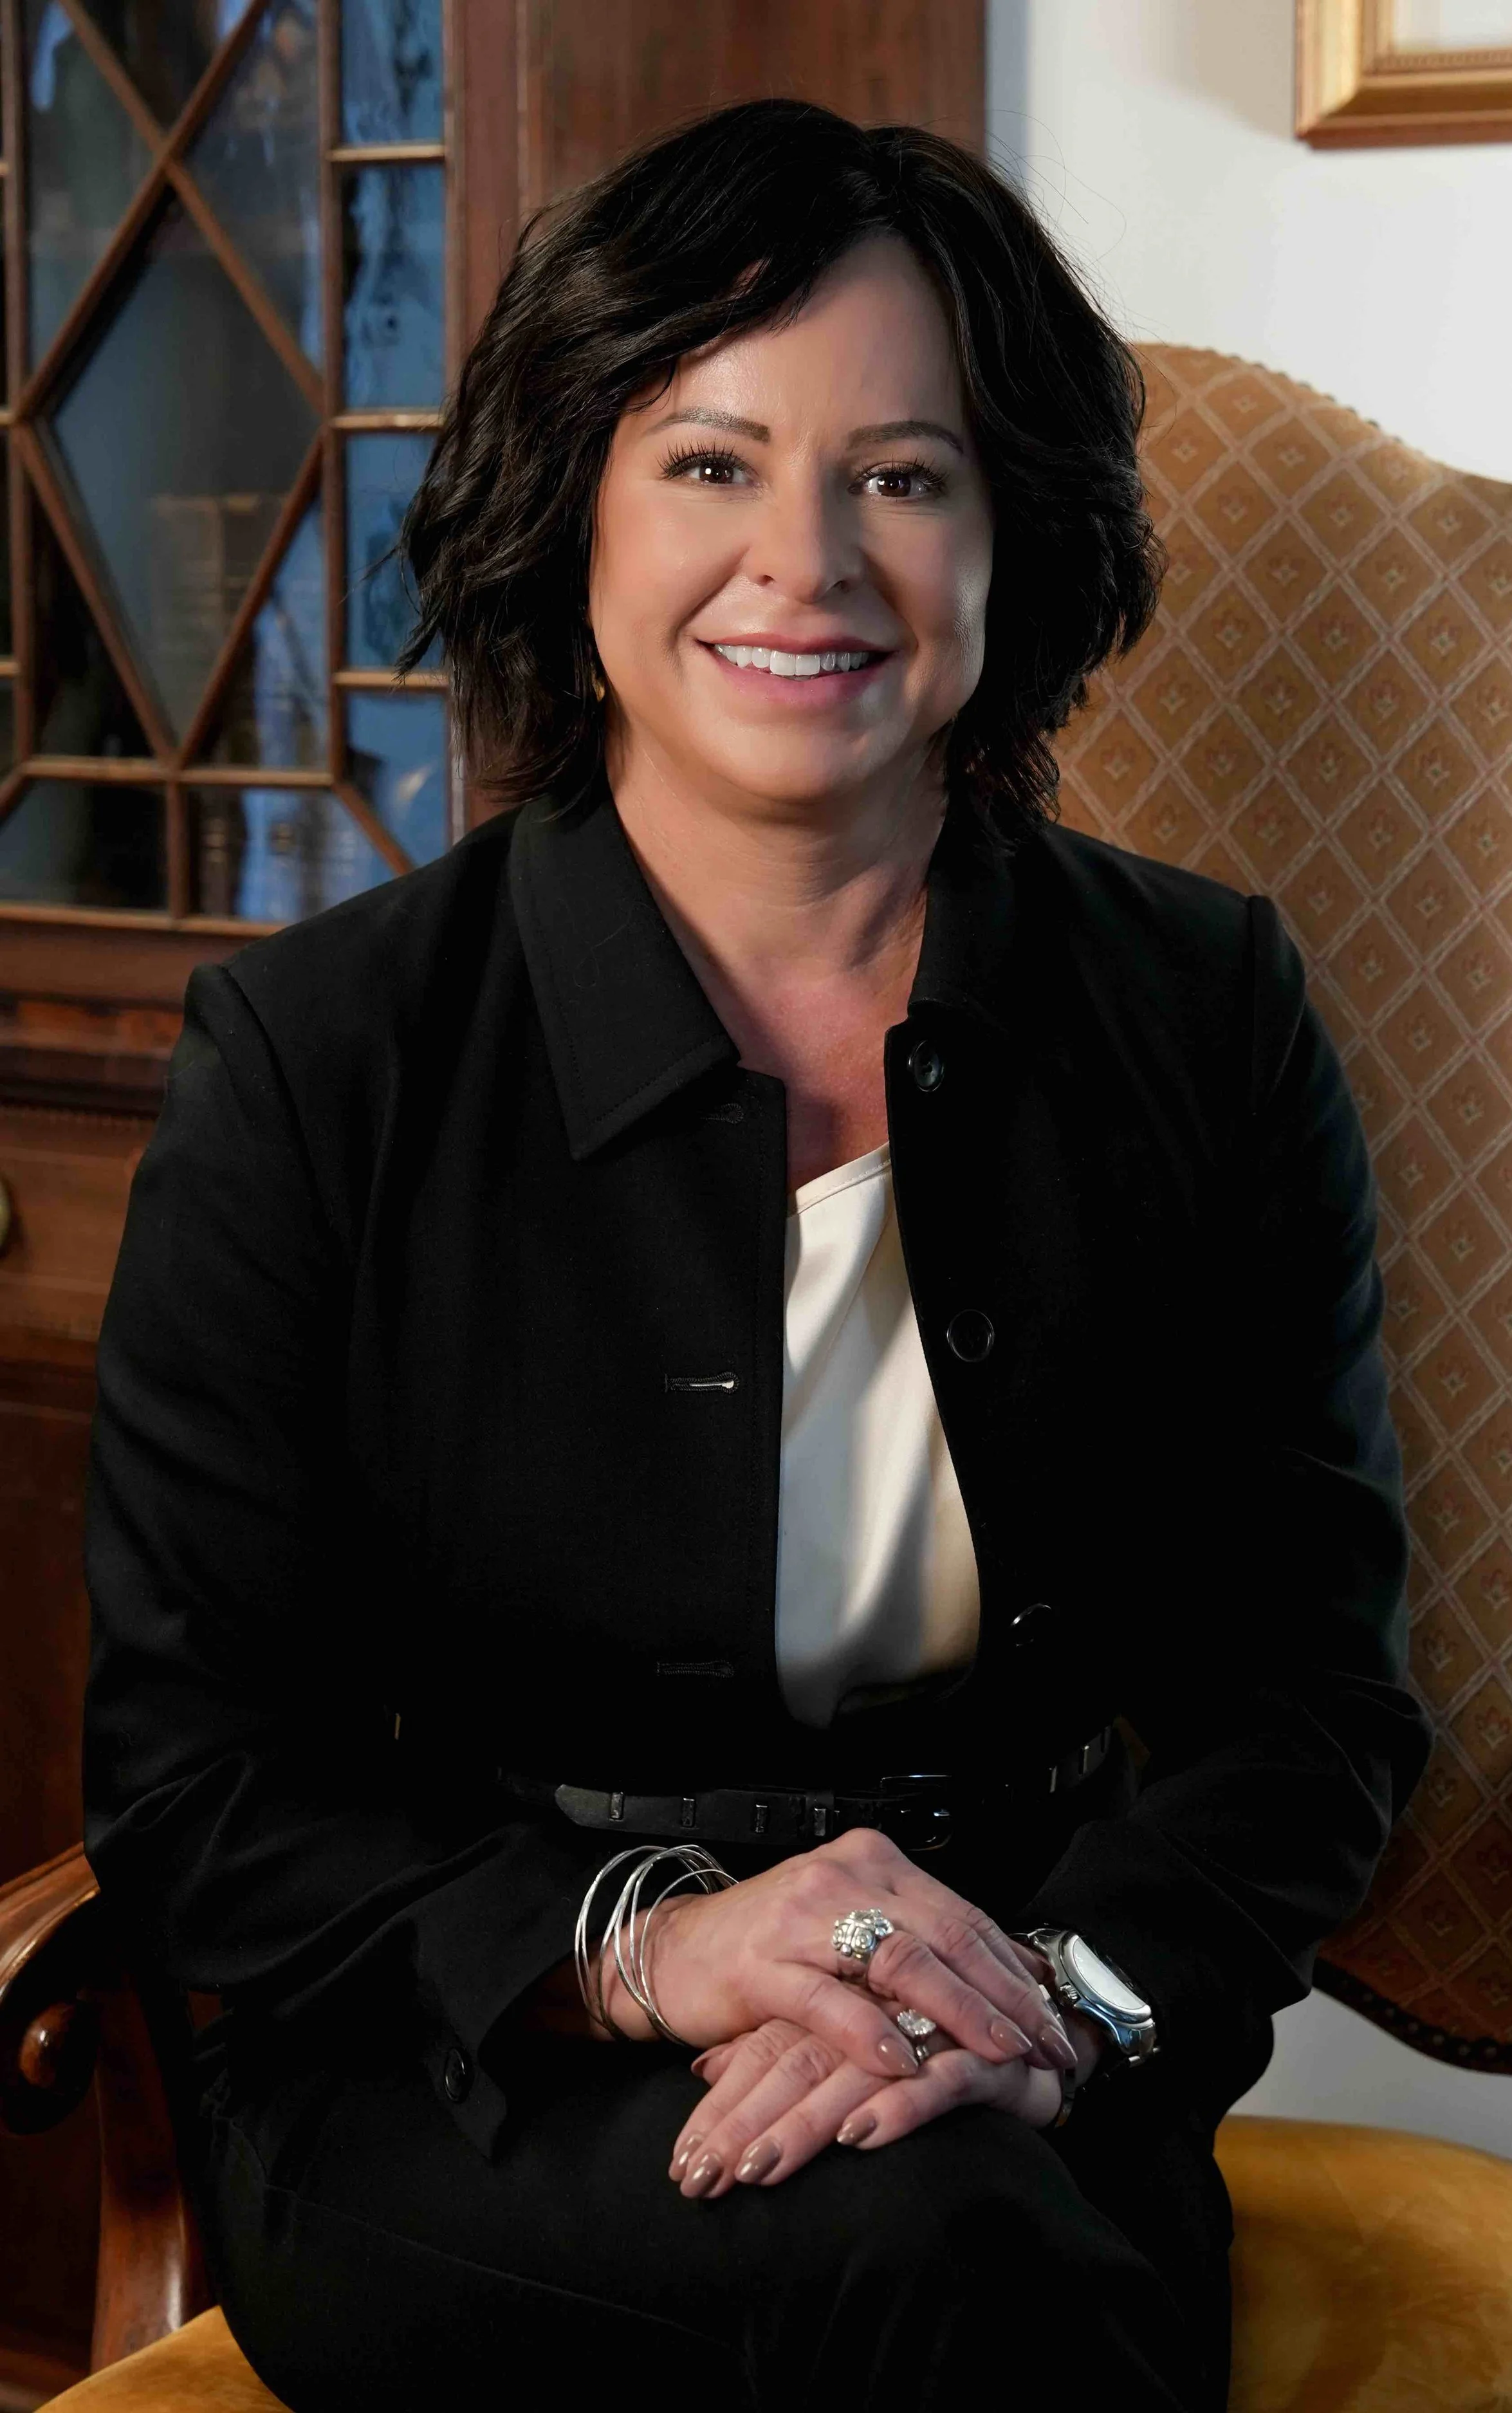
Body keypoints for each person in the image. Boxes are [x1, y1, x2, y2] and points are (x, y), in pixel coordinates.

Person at [82, 96, 1431, 2413]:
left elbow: (1313, 1702)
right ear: (571, 508)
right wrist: (657, 1949)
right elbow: (201, 1781)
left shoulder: (1201, 1012)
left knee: (963, 2213)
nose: (800, 560)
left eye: (898, 474)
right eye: (707, 460)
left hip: (1024, 2040)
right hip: (473, 2073)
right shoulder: (317, 1062)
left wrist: (1058, 2004)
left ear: (1016, 531)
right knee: (952, 2265)